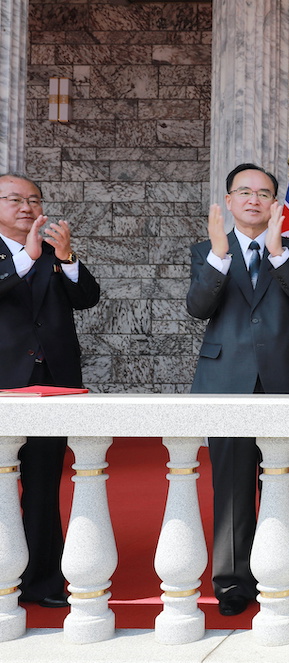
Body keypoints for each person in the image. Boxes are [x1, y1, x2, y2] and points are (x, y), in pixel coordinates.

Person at [187, 163, 289, 616]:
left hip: (287, 381)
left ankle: (277, 572)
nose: (253, 199)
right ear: (228, 201)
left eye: (263, 193)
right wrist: (220, 256)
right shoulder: (208, 250)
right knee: (230, 485)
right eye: (243, 192)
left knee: (282, 482)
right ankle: (232, 584)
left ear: (274, 205)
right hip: (227, 382)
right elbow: (198, 307)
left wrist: (279, 252)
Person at [0, 173, 101, 608]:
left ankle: (42, 582)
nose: (26, 207)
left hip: (53, 386)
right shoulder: (23, 257)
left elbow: (87, 298)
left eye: (34, 200)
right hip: (5, 384)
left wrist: (67, 256)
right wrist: (28, 257)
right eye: (15, 200)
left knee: (43, 486)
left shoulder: (53, 255)